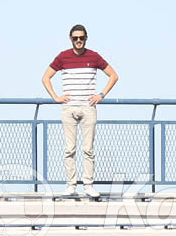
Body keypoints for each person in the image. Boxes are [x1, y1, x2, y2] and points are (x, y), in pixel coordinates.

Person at [42, 24, 119, 197]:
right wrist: (56, 97)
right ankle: (71, 185)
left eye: (81, 38)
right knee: (69, 149)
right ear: (70, 39)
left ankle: (88, 185)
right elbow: (45, 77)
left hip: (88, 107)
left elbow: (113, 75)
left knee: (88, 149)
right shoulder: (63, 57)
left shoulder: (94, 56)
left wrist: (101, 94)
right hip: (69, 107)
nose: (78, 41)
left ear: (86, 38)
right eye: (75, 38)